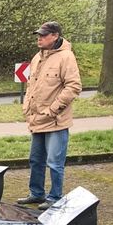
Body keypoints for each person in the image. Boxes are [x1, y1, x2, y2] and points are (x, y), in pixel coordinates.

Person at [16, 21, 82, 210]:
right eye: (39, 35)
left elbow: (74, 86)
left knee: (54, 161)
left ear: (55, 36)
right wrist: (26, 107)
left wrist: (53, 109)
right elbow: (31, 85)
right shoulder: (38, 57)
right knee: (36, 159)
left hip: (56, 121)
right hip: (37, 119)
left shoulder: (66, 57)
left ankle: (55, 197)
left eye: (44, 35)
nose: (40, 38)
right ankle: (36, 193)